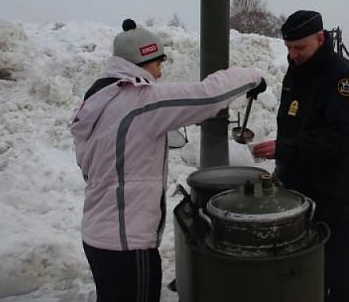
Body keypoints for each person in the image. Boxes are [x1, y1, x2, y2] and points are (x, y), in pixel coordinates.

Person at [70, 19, 266, 302]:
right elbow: (208, 95)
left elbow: (93, 167)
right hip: (128, 245)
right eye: (158, 64)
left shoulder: (97, 102)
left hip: (98, 238)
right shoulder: (140, 101)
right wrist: (254, 76)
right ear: (143, 60)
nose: (160, 74)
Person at [251, 10, 349, 302]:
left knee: (339, 271)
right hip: (297, 187)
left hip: (333, 192)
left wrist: (285, 148)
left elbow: (339, 138)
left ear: (320, 38)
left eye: (299, 47)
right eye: (289, 48)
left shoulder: (343, 77)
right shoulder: (297, 69)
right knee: (302, 272)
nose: (293, 54)